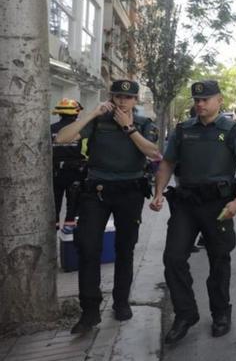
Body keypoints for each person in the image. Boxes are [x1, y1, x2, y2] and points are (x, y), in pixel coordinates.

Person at [150, 80, 236, 344]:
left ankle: (221, 313)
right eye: (196, 100)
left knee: (219, 260)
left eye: (205, 99)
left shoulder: (233, 131)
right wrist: (158, 192)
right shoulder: (183, 130)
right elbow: (167, 163)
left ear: (219, 100)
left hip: (217, 207)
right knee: (173, 259)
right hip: (186, 205)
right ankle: (186, 314)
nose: (199, 104)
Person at [55, 80, 161, 334]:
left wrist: (129, 129)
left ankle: (121, 302)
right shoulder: (99, 121)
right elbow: (62, 137)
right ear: (111, 97)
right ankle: (90, 311)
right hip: (96, 192)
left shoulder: (145, 124)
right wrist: (91, 113)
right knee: (88, 246)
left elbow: (154, 153)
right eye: (117, 96)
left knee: (125, 248)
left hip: (129, 192)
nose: (122, 101)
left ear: (136, 101)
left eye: (127, 97)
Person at [50, 98, 87, 231]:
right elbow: (87, 151)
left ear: (59, 113)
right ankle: (69, 226)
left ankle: (53, 226)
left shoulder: (51, 129)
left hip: (55, 172)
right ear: (76, 113)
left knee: (54, 201)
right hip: (76, 172)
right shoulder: (81, 130)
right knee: (74, 201)